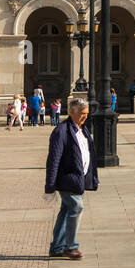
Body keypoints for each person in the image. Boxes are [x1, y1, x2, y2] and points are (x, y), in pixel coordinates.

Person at [44, 96, 98, 259]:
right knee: (76, 207)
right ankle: (70, 246)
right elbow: (53, 159)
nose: (85, 116)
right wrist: (50, 185)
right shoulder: (61, 131)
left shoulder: (83, 130)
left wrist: (92, 177)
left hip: (78, 180)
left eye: (87, 113)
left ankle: (57, 247)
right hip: (67, 179)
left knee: (66, 210)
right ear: (72, 113)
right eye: (82, 113)